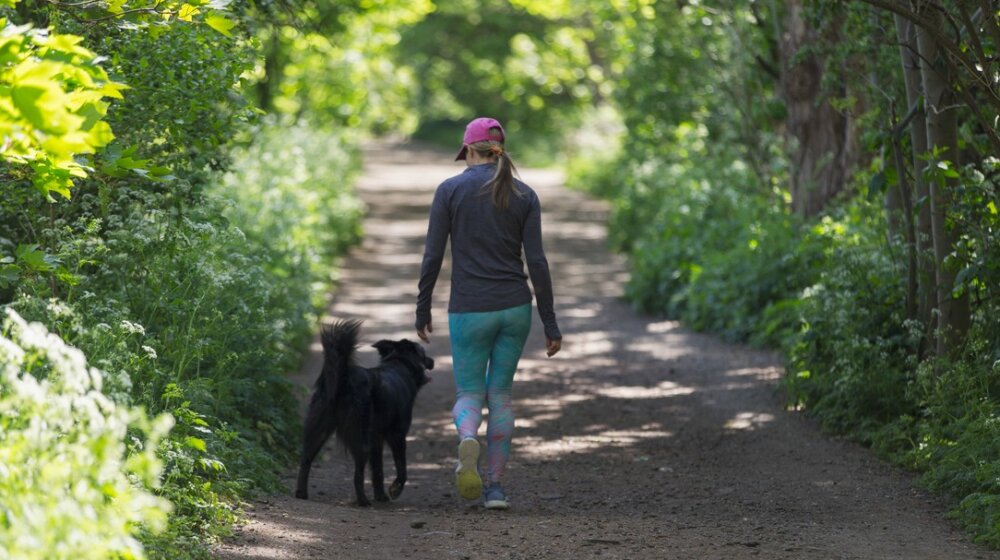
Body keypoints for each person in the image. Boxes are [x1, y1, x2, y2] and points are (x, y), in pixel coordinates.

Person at [415, 117, 562, 510]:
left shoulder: (450, 190)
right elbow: (538, 262)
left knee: (469, 392)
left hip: (469, 308)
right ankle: (495, 488)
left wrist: (422, 306)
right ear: (499, 150)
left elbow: (432, 255)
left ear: (468, 151)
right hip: (515, 308)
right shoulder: (525, 194)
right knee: (501, 396)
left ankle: (467, 438)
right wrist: (550, 322)